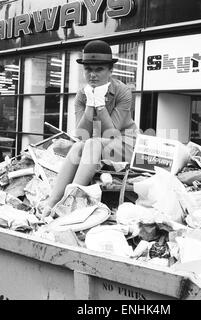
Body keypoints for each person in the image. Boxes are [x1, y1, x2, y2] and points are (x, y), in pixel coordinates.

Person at [40, 40, 138, 217]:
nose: (92, 75)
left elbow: (112, 132)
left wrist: (99, 105)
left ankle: (70, 201)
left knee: (92, 144)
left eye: (99, 69)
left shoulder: (123, 91)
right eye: (88, 69)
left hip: (125, 144)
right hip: (96, 146)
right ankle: (52, 202)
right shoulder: (81, 95)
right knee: (79, 146)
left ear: (110, 70)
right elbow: (80, 134)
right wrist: (89, 105)